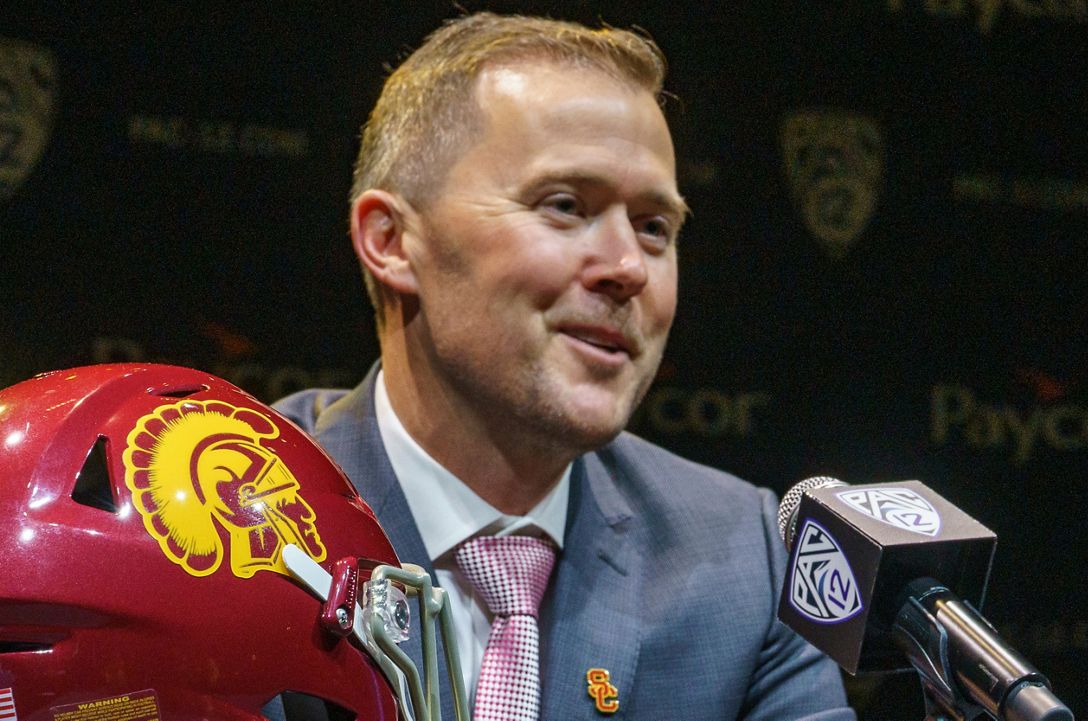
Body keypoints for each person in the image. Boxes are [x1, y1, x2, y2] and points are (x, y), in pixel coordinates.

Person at [275, 12, 855, 721]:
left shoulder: (745, 562)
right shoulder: (222, 526)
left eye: (654, 227)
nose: (626, 268)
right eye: (565, 206)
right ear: (394, 241)